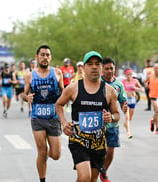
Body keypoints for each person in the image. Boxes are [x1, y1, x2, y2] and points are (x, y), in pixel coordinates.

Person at [55, 51, 120, 182]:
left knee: (91, 180)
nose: (94, 67)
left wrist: (111, 118)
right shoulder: (73, 88)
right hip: (78, 141)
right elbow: (59, 104)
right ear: (84, 68)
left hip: (99, 144)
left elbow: (117, 114)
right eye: (90, 64)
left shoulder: (109, 91)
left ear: (101, 67)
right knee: (85, 177)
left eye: (97, 64)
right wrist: (64, 123)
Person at [23, 45, 64, 182]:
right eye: (42, 55)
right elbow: (24, 94)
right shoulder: (29, 75)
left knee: (56, 154)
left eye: (47, 55)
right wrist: (26, 97)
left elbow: (64, 92)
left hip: (54, 117)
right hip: (37, 117)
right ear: (37, 57)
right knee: (41, 151)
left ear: (50, 57)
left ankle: (44, 156)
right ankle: (42, 179)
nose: (45, 57)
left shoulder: (57, 73)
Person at [100, 57, 128, 182]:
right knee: (99, 152)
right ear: (102, 69)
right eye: (106, 69)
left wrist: (124, 107)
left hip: (112, 124)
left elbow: (123, 100)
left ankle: (103, 171)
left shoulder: (119, 84)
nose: (109, 71)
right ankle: (96, 171)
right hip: (98, 125)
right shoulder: (97, 82)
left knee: (110, 152)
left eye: (111, 68)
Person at [122, 68, 143, 137]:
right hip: (126, 100)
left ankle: (126, 124)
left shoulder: (135, 81)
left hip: (133, 100)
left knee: (130, 118)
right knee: (127, 117)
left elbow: (141, 89)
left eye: (130, 74)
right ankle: (128, 132)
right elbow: (120, 91)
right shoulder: (123, 82)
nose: (129, 76)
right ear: (125, 75)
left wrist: (135, 88)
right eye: (127, 74)